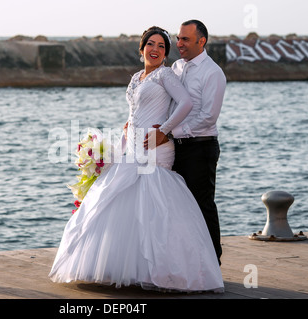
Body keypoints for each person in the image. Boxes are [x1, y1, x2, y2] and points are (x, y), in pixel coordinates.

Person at [49, 26, 224, 293]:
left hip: (157, 147)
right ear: (141, 49)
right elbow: (135, 111)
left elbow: (187, 103)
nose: (155, 50)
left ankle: (171, 270)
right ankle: (133, 268)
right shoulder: (137, 78)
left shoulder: (167, 74)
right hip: (133, 148)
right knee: (126, 204)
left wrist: (163, 131)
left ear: (165, 54)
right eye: (150, 44)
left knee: (160, 205)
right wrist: (124, 136)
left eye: (162, 47)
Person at [145, 20, 226, 265]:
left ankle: (213, 260)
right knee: (177, 205)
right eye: (178, 38)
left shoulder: (213, 73)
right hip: (173, 148)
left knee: (202, 205)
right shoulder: (177, 67)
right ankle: (185, 261)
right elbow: (170, 104)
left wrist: (169, 130)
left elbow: (208, 116)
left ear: (201, 41)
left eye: (185, 39)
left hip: (200, 146)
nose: (178, 44)